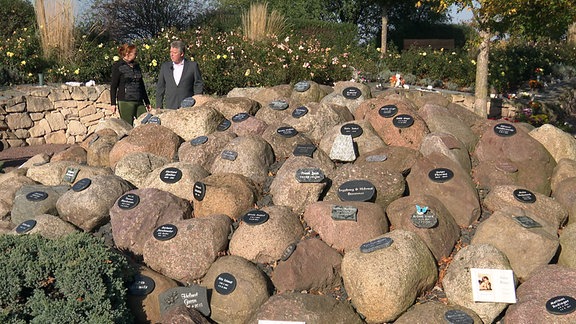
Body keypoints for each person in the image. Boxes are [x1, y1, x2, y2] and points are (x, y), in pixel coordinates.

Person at [156, 40, 204, 109]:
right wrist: (159, 106)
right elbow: (160, 87)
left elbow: (198, 84)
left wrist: (198, 102)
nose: (171, 55)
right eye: (170, 52)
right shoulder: (165, 67)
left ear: (182, 54)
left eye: (174, 53)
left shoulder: (192, 66)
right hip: (170, 108)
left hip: (188, 108)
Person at [110, 44, 151, 125]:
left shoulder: (136, 66)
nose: (136, 55)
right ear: (127, 53)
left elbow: (141, 85)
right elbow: (113, 86)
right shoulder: (118, 66)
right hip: (125, 101)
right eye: (134, 53)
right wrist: (113, 104)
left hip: (138, 100)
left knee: (146, 122)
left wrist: (147, 102)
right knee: (127, 125)